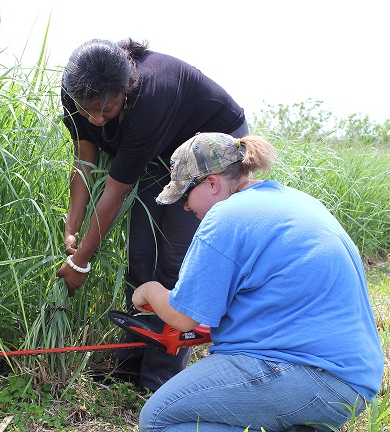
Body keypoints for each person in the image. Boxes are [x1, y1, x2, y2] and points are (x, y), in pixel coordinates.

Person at [132, 132, 384, 432]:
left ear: (212, 183)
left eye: (185, 194)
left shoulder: (225, 215)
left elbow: (183, 318)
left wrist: (149, 290)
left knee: (158, 419)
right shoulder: (295, 200)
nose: (185, 207)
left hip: (306, 374)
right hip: (353, 383)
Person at [56, 38, 248, 391]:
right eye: (88, 110)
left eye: (108, 109)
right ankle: (129, 367)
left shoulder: (149, 100)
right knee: (141, 256)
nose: (96, 119)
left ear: (126, 91)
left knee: (173, 261)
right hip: (163, 150)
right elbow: (85, 158)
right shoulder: (77, 91)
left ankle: (160, 378)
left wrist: (81, 261)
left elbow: (115, 190)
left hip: (207, 150)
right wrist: (72, 227)